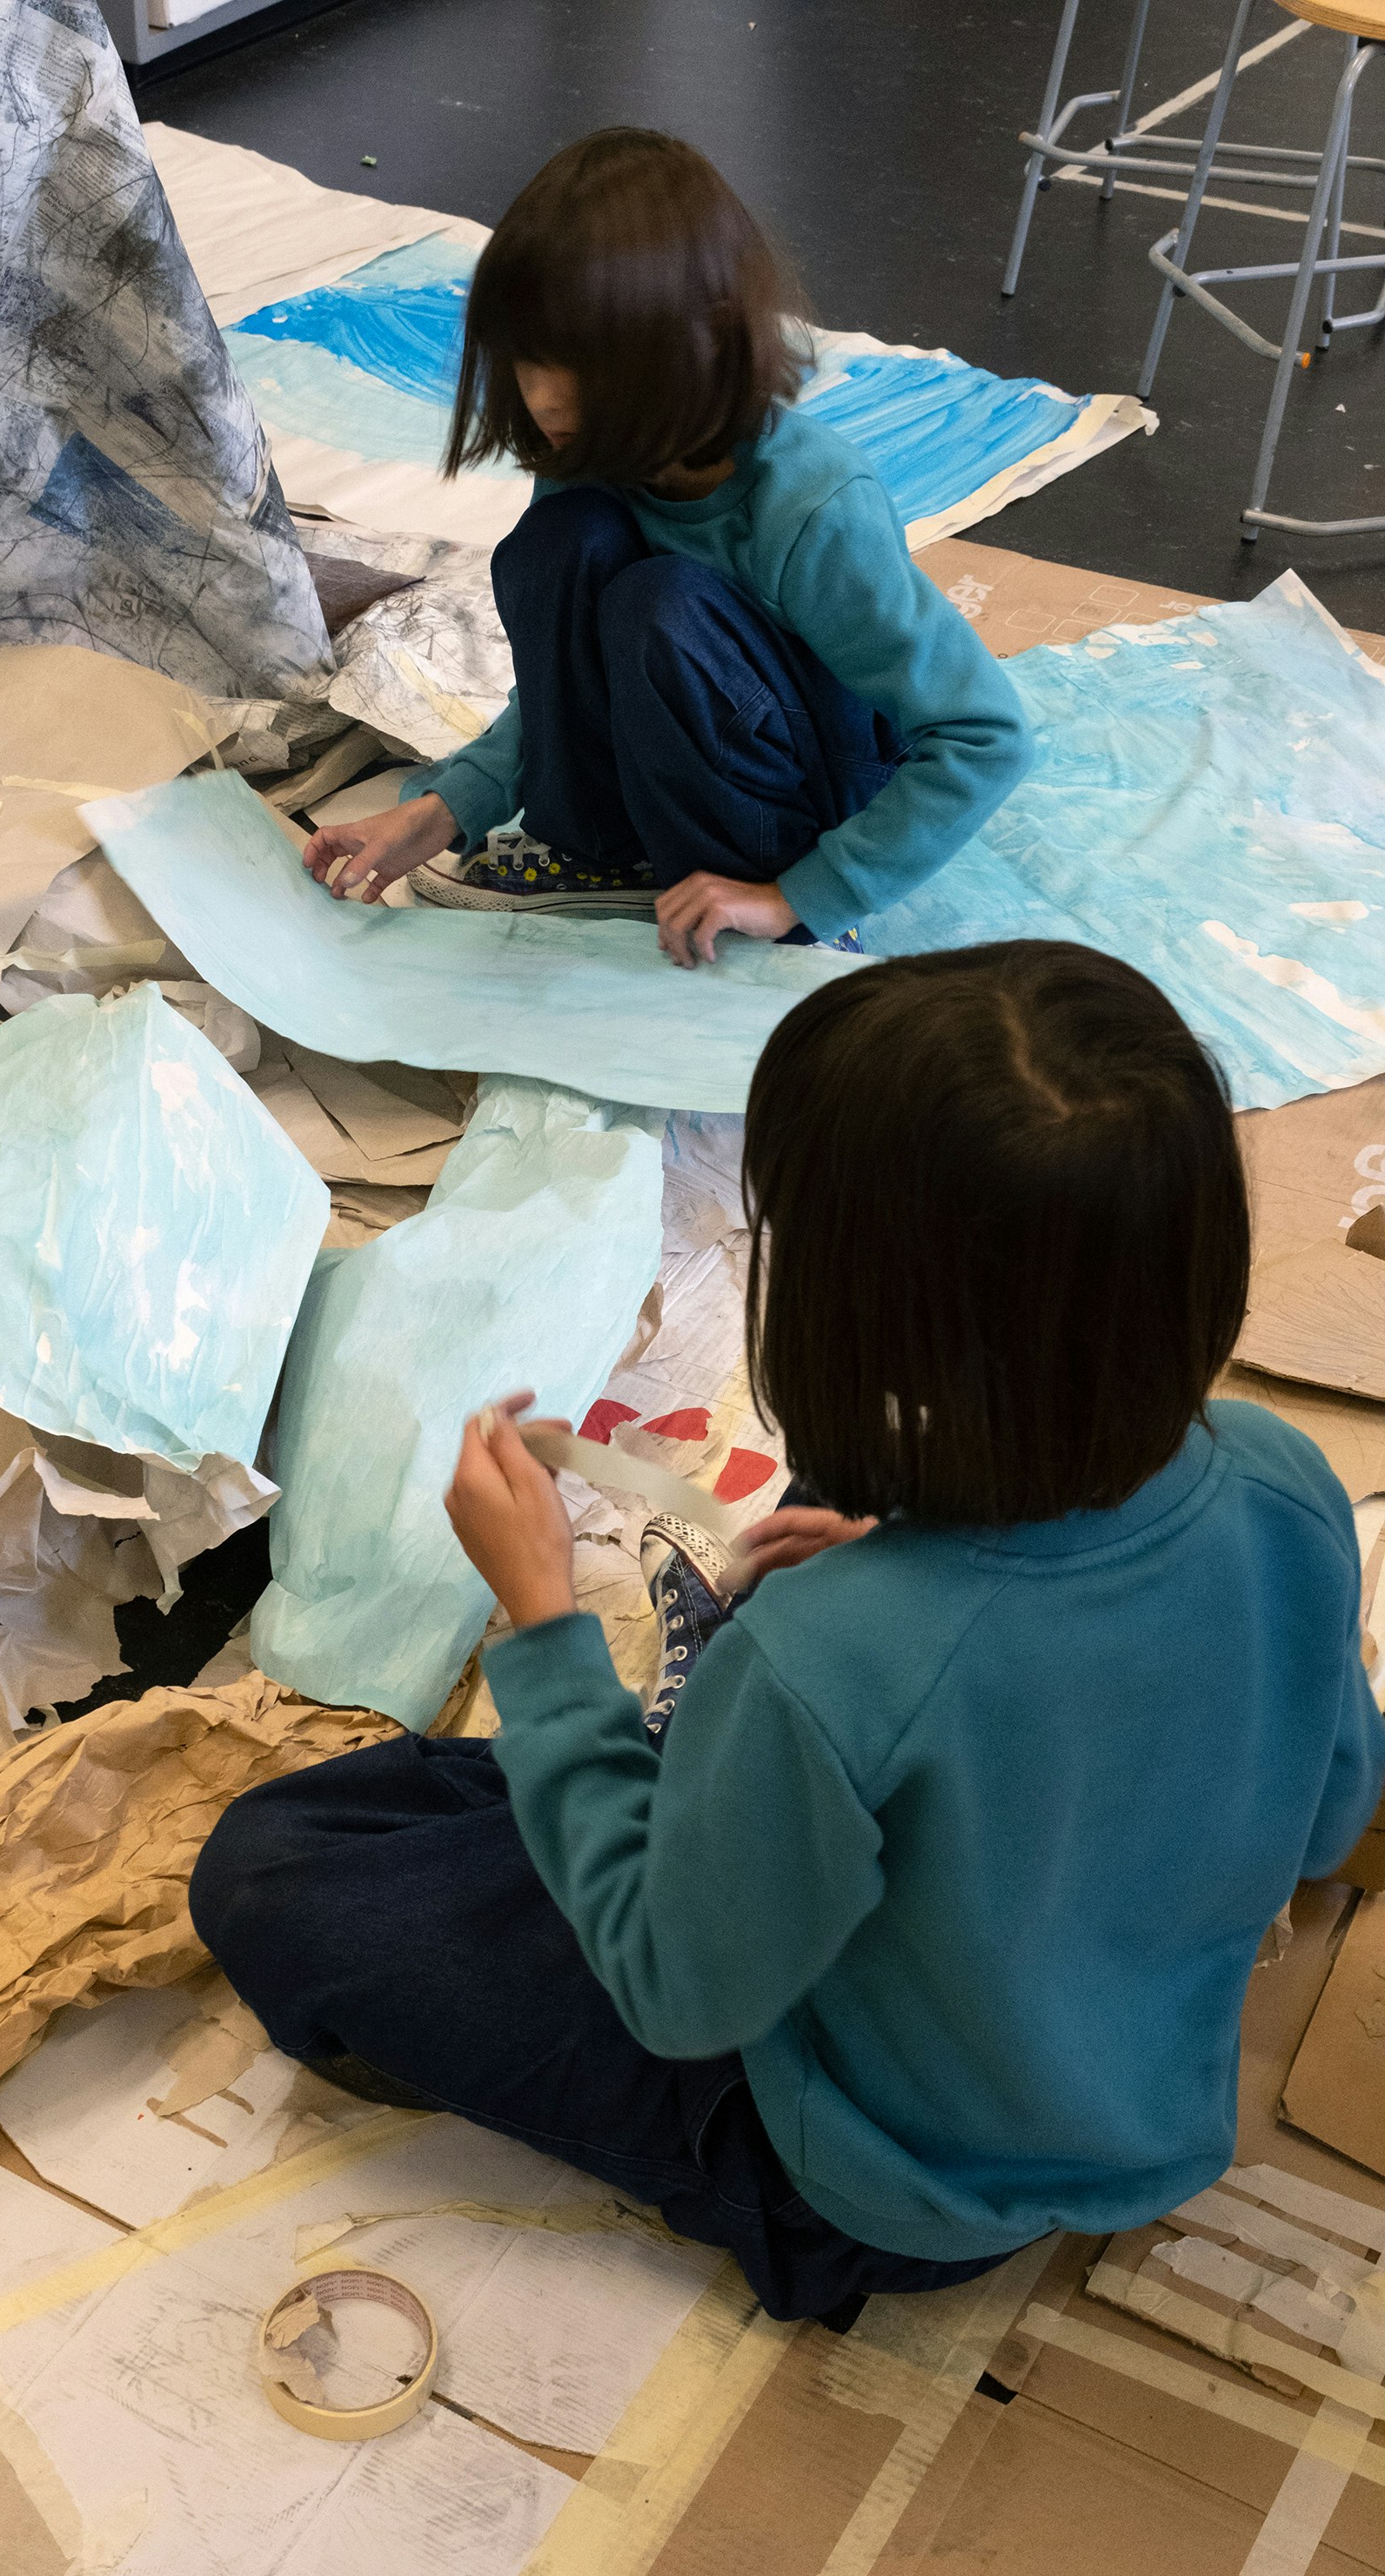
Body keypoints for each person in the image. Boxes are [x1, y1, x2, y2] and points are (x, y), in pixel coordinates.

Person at [189, 942, 1385, 2324]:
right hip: (1130, 2096)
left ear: (852, 1322)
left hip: (879, 2185)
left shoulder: (829, 1659)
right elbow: (1325, 1812)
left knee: (277, 1870)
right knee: (459, 1808)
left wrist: (541, 1620)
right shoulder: (1284, 1478)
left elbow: (675, 1993)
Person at [302, 129, 1032, 969]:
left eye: (575, 364)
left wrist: (798, 895)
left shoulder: (812, 504)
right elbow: (560, 690)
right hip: (687, 748)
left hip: (802, 809)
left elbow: (985, 735)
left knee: (663, 606)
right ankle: (600, 853)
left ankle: (748, 885)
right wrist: (439, 813)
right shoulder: (589, 459)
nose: (540, 398)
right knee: (563, 543)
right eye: (528, 361)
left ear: (698, 343)